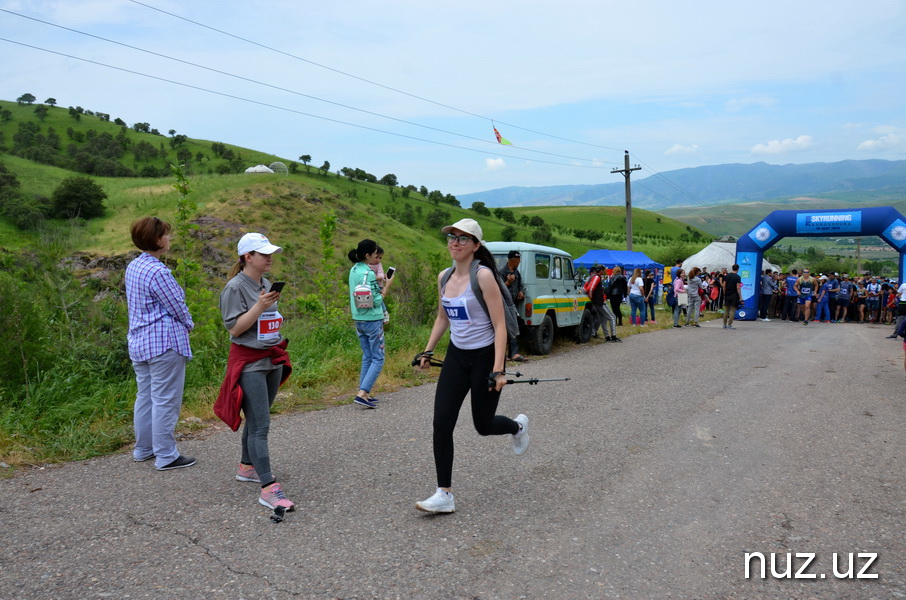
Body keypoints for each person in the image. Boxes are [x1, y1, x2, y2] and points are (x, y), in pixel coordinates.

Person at [415, 218, 529, 514]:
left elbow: (499, 325)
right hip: (456, 356)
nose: (455, 242)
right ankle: (444, 494)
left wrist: (498, 368)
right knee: (441, 422)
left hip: (485, 357)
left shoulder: (484, 276)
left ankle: (517, 426)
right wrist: (427, 351)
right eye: (452, 237)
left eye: (463, 238)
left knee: (483, 424)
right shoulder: (443, 277)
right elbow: (443, 318)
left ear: (476, 246)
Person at [217, 232, 294, 511]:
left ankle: (247, 467)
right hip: (249, 361)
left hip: (271, 357)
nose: (269, 257)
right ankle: (268, 489)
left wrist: (270, 312)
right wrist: (260, 306)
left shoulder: (263, 283)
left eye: (270, 252)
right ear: (248, 257)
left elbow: (267, 319)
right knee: (261, 426)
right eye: (263, 254)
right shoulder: (234, 288)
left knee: (255, 419)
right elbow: (234, 329)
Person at [125, 217, 196, 471]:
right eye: (166, 234)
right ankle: (166, 455)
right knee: (166, 399)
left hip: (139, 342)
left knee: (145, 397)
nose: (169, 238)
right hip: (164, 343)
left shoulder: (133, 266)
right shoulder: (159, 272)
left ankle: (143, 449)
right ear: (157, 240)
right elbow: (177, 306)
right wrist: (189, 324)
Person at [348, 239, 392, 409]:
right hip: (372, 319)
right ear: (368, 255)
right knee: (378, 358)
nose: (376, 258)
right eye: (375, 255)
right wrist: (387, 286)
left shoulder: (354, 270)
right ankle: (362, 393)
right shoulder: (368, 273)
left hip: (358, 318)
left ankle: (364, 392)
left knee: (367, 356)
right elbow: (376, 300)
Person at [500, 250, 526, 362]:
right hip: (503, 304)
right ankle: (505, 354)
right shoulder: (501, 272)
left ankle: (513, 353)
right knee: (508, 328)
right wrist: (508, 282)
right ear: (513, 261)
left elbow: (520, 282)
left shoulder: (516, 272)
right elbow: (498, 288)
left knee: (513, 327)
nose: (519, 262)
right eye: (518, 260)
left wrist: (520, 291)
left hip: (513, 303)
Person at [586, 265, 620, 342]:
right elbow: (591, 288)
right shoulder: (597, 277)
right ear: (601, 270)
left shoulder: (593, 276)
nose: (604, 271)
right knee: (612, 317)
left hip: (597, 302)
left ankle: (607, 337)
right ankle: (613, 336)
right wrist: (593, 299)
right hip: (600, 302)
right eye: (604, 270)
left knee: (603, 319)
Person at [367, 245, 391, 325]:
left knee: (379, 300)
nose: (378, 260)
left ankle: (384, 312)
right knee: (372, 299)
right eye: (376, 257)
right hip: (370, 286)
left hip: (378, 286)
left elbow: (380, 274)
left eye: (380, 258)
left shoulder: (378, 265)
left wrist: (377, 277)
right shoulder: (366, 265)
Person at [722, 264, 742, 330]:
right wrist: (740, 297)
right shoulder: (737, 277)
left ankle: (724, 324)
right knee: (732, 310)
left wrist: (724, 292)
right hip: (734, 294)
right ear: (738, 269)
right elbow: (738, 287)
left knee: (726, 310)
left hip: (727, 293)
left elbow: (724, 285)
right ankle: (729, 324)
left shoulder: (727, 276)